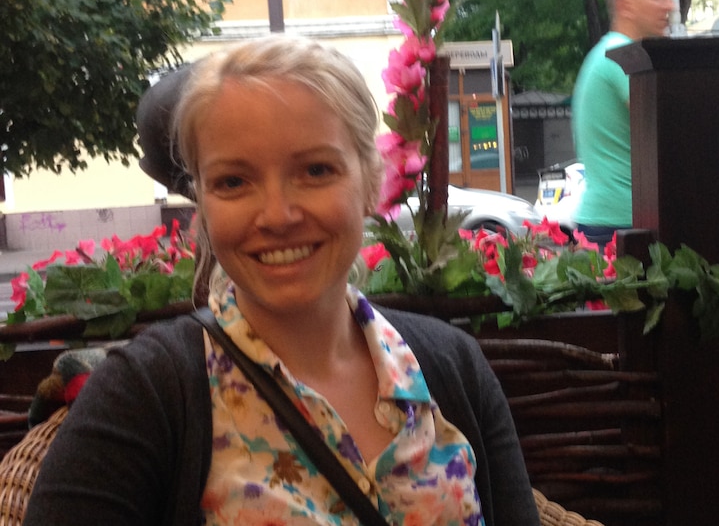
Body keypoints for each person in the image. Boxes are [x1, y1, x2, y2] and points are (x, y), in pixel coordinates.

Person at [24, 35, 540, 526]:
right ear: (201, 204)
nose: (277, 214)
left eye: (315, 170)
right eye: (233, 181)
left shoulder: (453, 370)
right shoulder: (145, 397)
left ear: (370, 182)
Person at [571, 0, 675, 250]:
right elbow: (672, 130)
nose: (670, 5)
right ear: (625, 6)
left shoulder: (606, 53)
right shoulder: (626, 57)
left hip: (609, 221)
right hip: (623, 225)